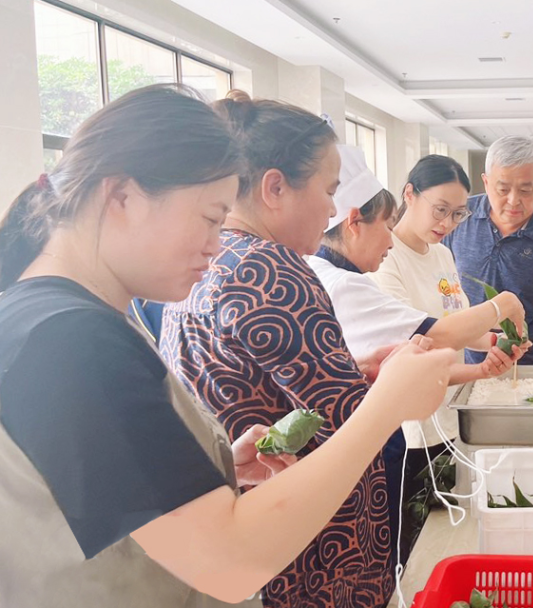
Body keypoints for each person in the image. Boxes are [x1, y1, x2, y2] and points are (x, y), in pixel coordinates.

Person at [0, 84, 450, 607]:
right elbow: (228, 565)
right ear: (122, 196)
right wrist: (386, 406)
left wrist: (212, 476)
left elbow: (97, 493)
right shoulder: (71, 339)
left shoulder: (49, 315)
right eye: (210, 219)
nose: (217, 245)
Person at [159, 90, 430, 608]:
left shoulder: (213, 258)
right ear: (275, 188)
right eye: (328, 191)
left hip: (245, 531)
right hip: (310, 551)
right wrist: (404, 387)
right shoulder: (272, 271)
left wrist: (353, 369)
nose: (331, 210)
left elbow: (264, 385)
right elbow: (347, 421)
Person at [310, 147, 528, 564]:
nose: (447, 223)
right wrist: (502, 305)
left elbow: (456, 323)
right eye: (440, 210)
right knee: (404, 543)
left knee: (431, 535)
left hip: (443, 416)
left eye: (458, 214)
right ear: (409, 195)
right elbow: (431, 340)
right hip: (409, 431)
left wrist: (494, 342)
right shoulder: (371, 270)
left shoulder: (441, 254)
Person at [442, 135, 533, 366]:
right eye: (503, 189)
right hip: (468, 365)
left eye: (526, 190)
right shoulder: (460, 218)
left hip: (531, 368)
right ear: (486, 182)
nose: (513, 200)